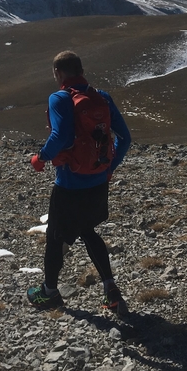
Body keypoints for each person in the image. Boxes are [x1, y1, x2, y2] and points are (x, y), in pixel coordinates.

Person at [27, 50, 131, 315]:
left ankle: (49, 293)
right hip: (98, 182)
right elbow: (125, 138)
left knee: (55, 238)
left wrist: (41, 158)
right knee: (87, 231)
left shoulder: (60, 98)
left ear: (58, 74)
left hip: (70, 184)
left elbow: (60, 136)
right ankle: (111, 289)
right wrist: (108, 168)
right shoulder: (102, 98)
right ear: (81, 70)